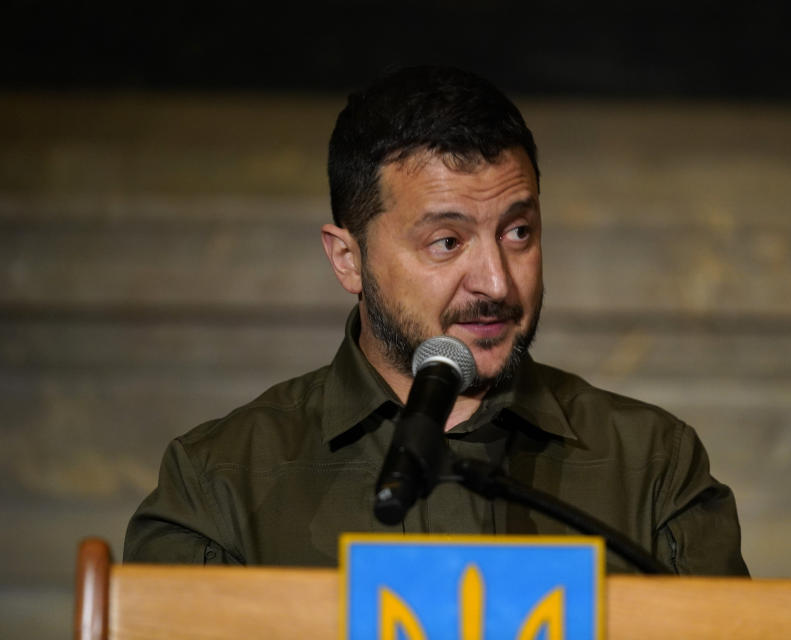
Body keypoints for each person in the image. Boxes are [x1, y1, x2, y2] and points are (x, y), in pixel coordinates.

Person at [124, 66, 748, 575]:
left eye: (518, 232)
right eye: (447, 242)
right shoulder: (218, 483)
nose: (497, 282)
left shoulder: (653, 463)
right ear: (349, 259)